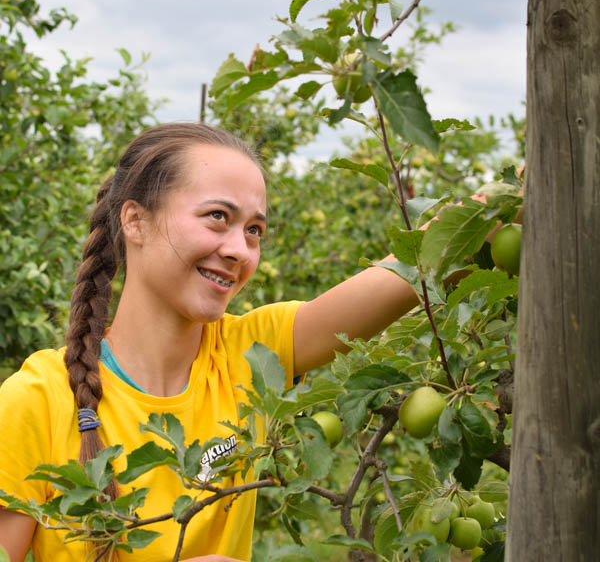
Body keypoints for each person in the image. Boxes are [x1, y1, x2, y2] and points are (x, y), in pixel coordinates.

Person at [0, 123, 422, 562]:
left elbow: (412, 270)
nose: (241, 250)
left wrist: (484, 212)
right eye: (218, 216)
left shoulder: (255, 356)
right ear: (135, 220)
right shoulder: (38, 400)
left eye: (254, 230)